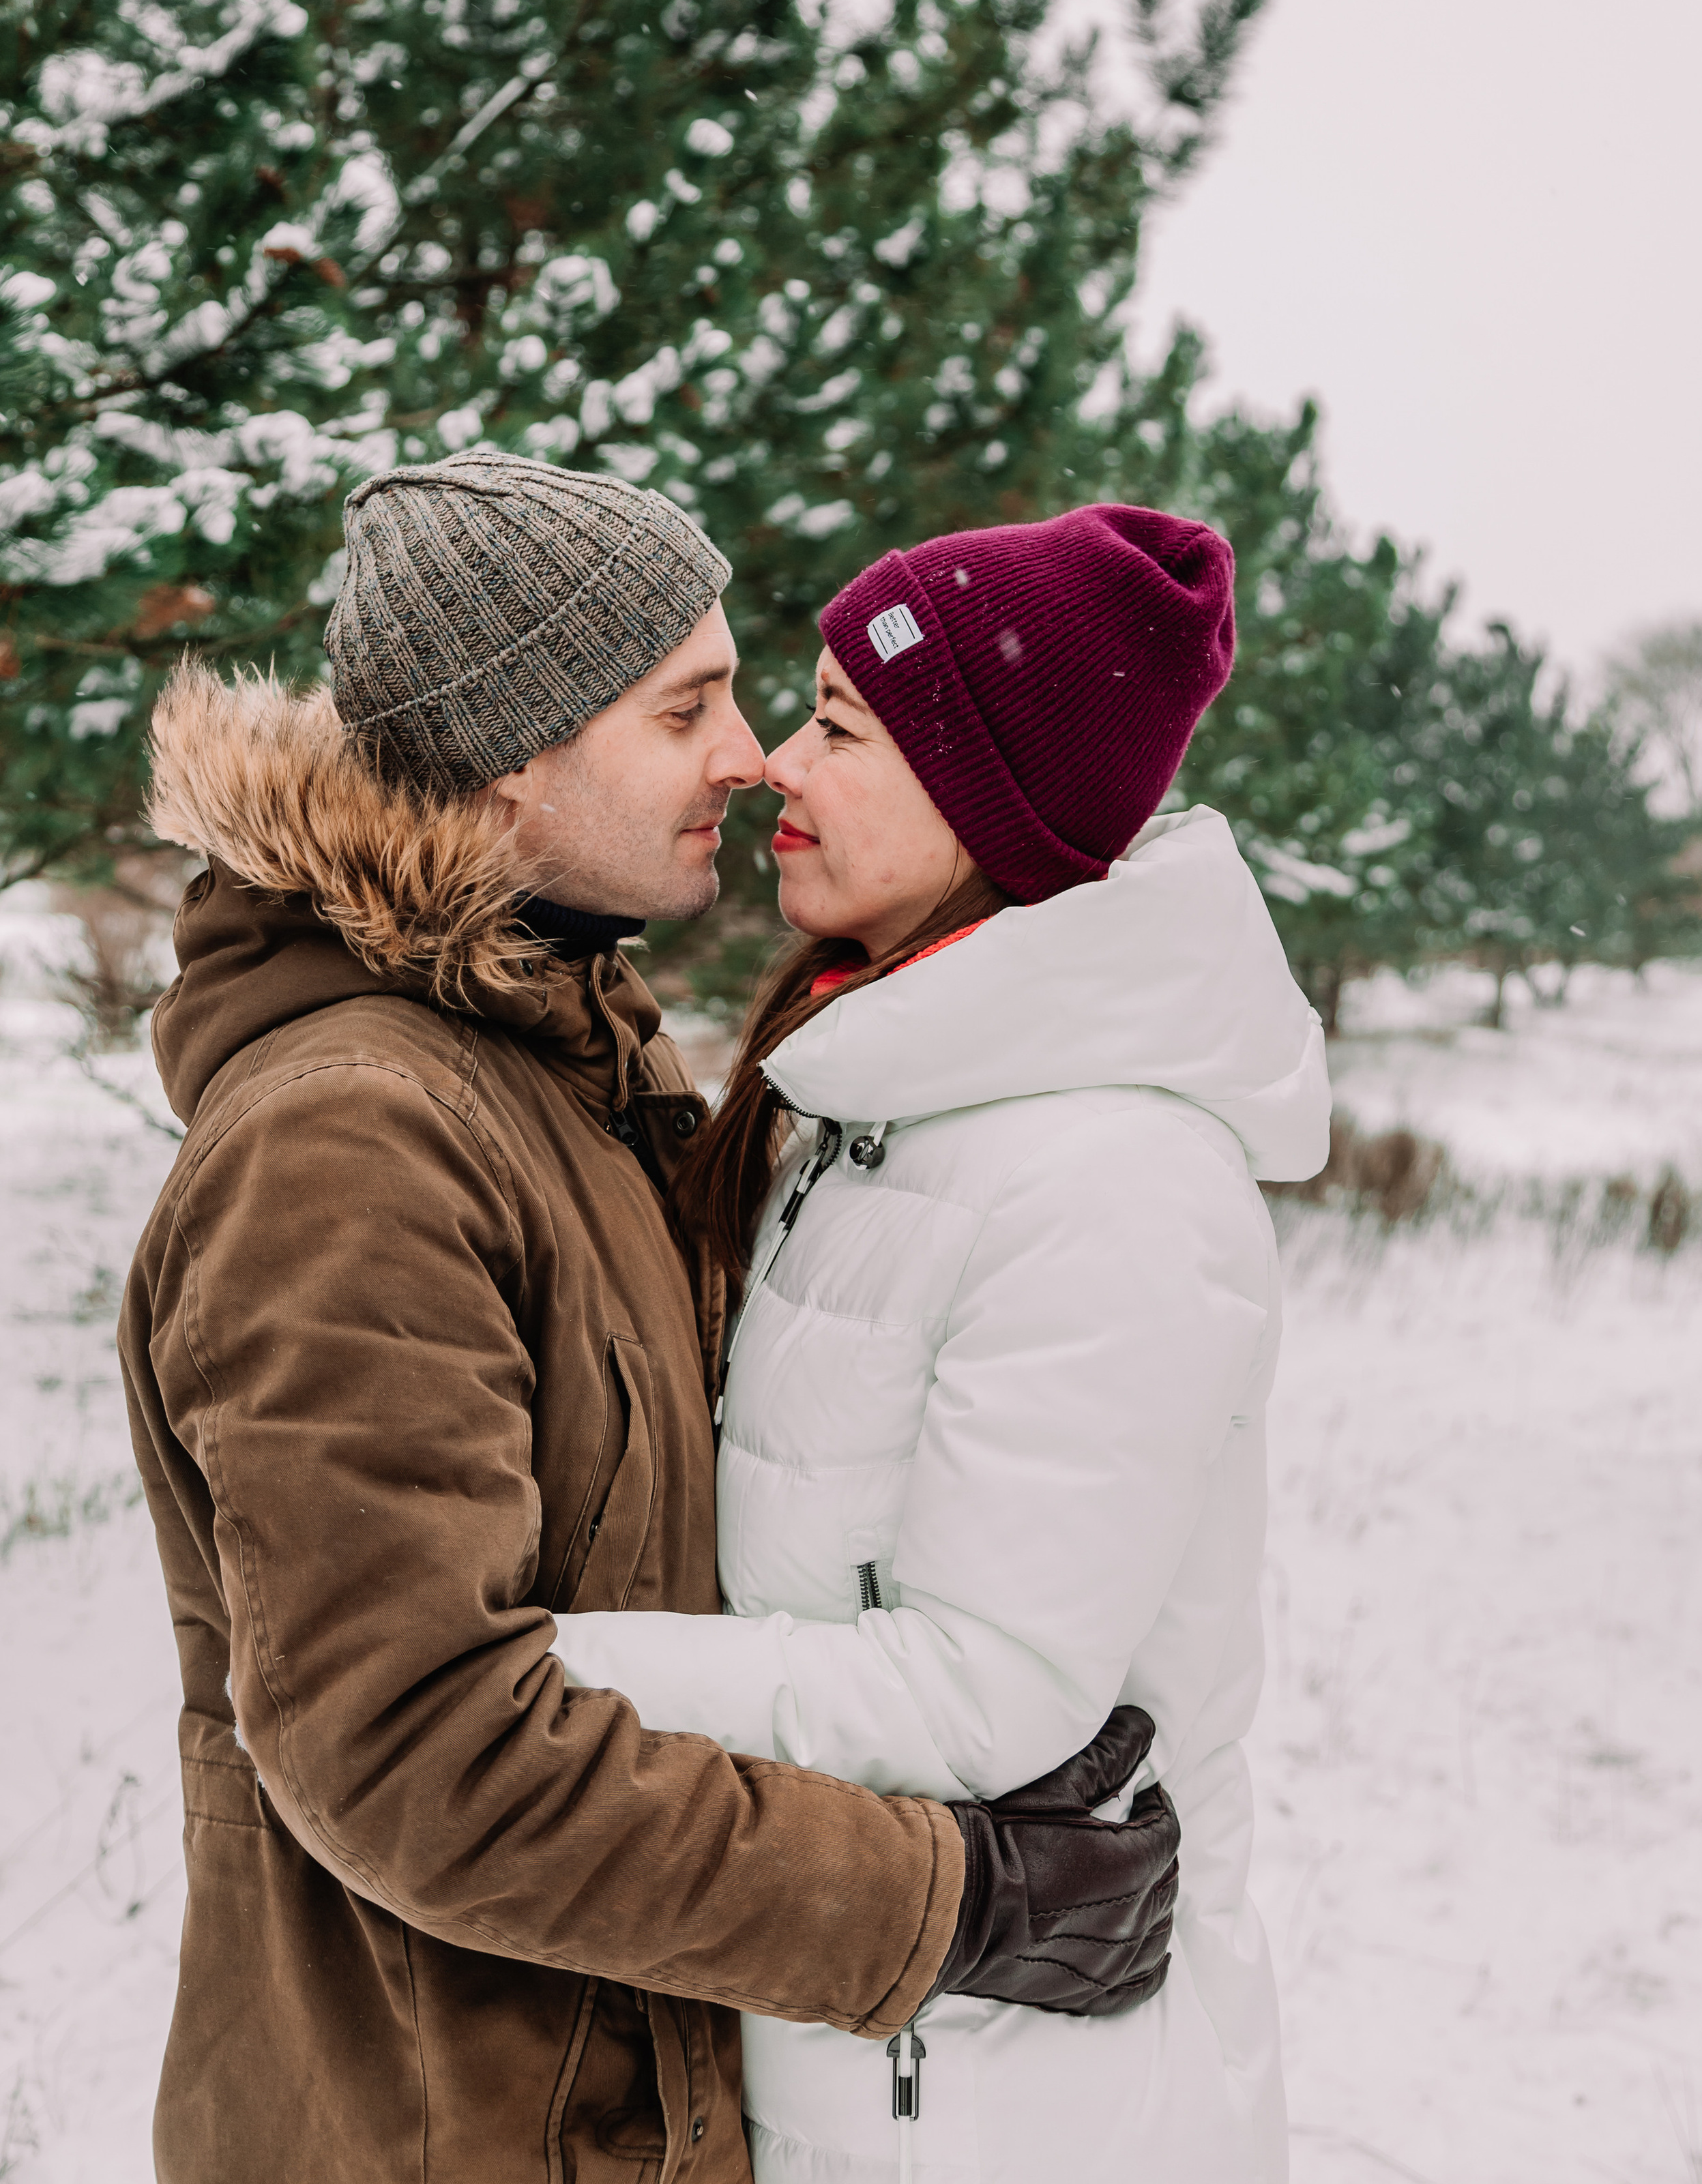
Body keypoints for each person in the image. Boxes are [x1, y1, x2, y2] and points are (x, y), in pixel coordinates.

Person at [117, 453, 1179, 2184]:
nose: (750, 752)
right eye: (685, 704)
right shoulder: (351, 1140)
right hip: (430, 2129)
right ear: (513, 756)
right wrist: (941, 1903)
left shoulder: (570, 1065)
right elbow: (410, 1748)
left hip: (608, 2104)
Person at [551, 504, 1332, 2182]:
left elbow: (986, 1689)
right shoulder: (877, 1101)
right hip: (863, 2043)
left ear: (986, 796)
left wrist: (530, 1672)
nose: (773, 766)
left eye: (839, 724)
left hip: (1005, 2104)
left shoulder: (1109, 1179)